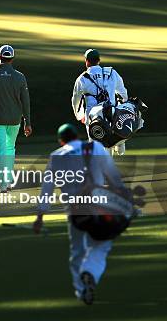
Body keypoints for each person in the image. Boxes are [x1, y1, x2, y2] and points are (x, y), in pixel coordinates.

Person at [33, 123, 126, 305]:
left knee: (77, 251)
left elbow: (47, 190)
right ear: (78, 136)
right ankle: (90, 272)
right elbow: (114, 178)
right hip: (97, 207)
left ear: (61, 141)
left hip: (74, 212)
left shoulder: (56, 156)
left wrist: (40, 218)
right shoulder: (95, 147)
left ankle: (82, 290)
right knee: (101, 245)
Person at [0, 44, 32, 192]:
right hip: (15, 120)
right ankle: (7, 182)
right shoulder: (20, 77)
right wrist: (28, 122)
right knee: (9, 149)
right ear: (12, 59)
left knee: (1, 151)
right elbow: (26, 101)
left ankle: (3, 185)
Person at [71, 48, 128, 155]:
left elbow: (75, 100)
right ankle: (119, 144)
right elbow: (123, 93)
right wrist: (122, 109)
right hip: (111, 114)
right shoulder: (112, 73)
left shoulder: (82, 78)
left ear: (86, 61)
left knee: (95, 148)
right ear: (99, 60)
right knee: (109, 145)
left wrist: (79, 115)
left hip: (92, 118)